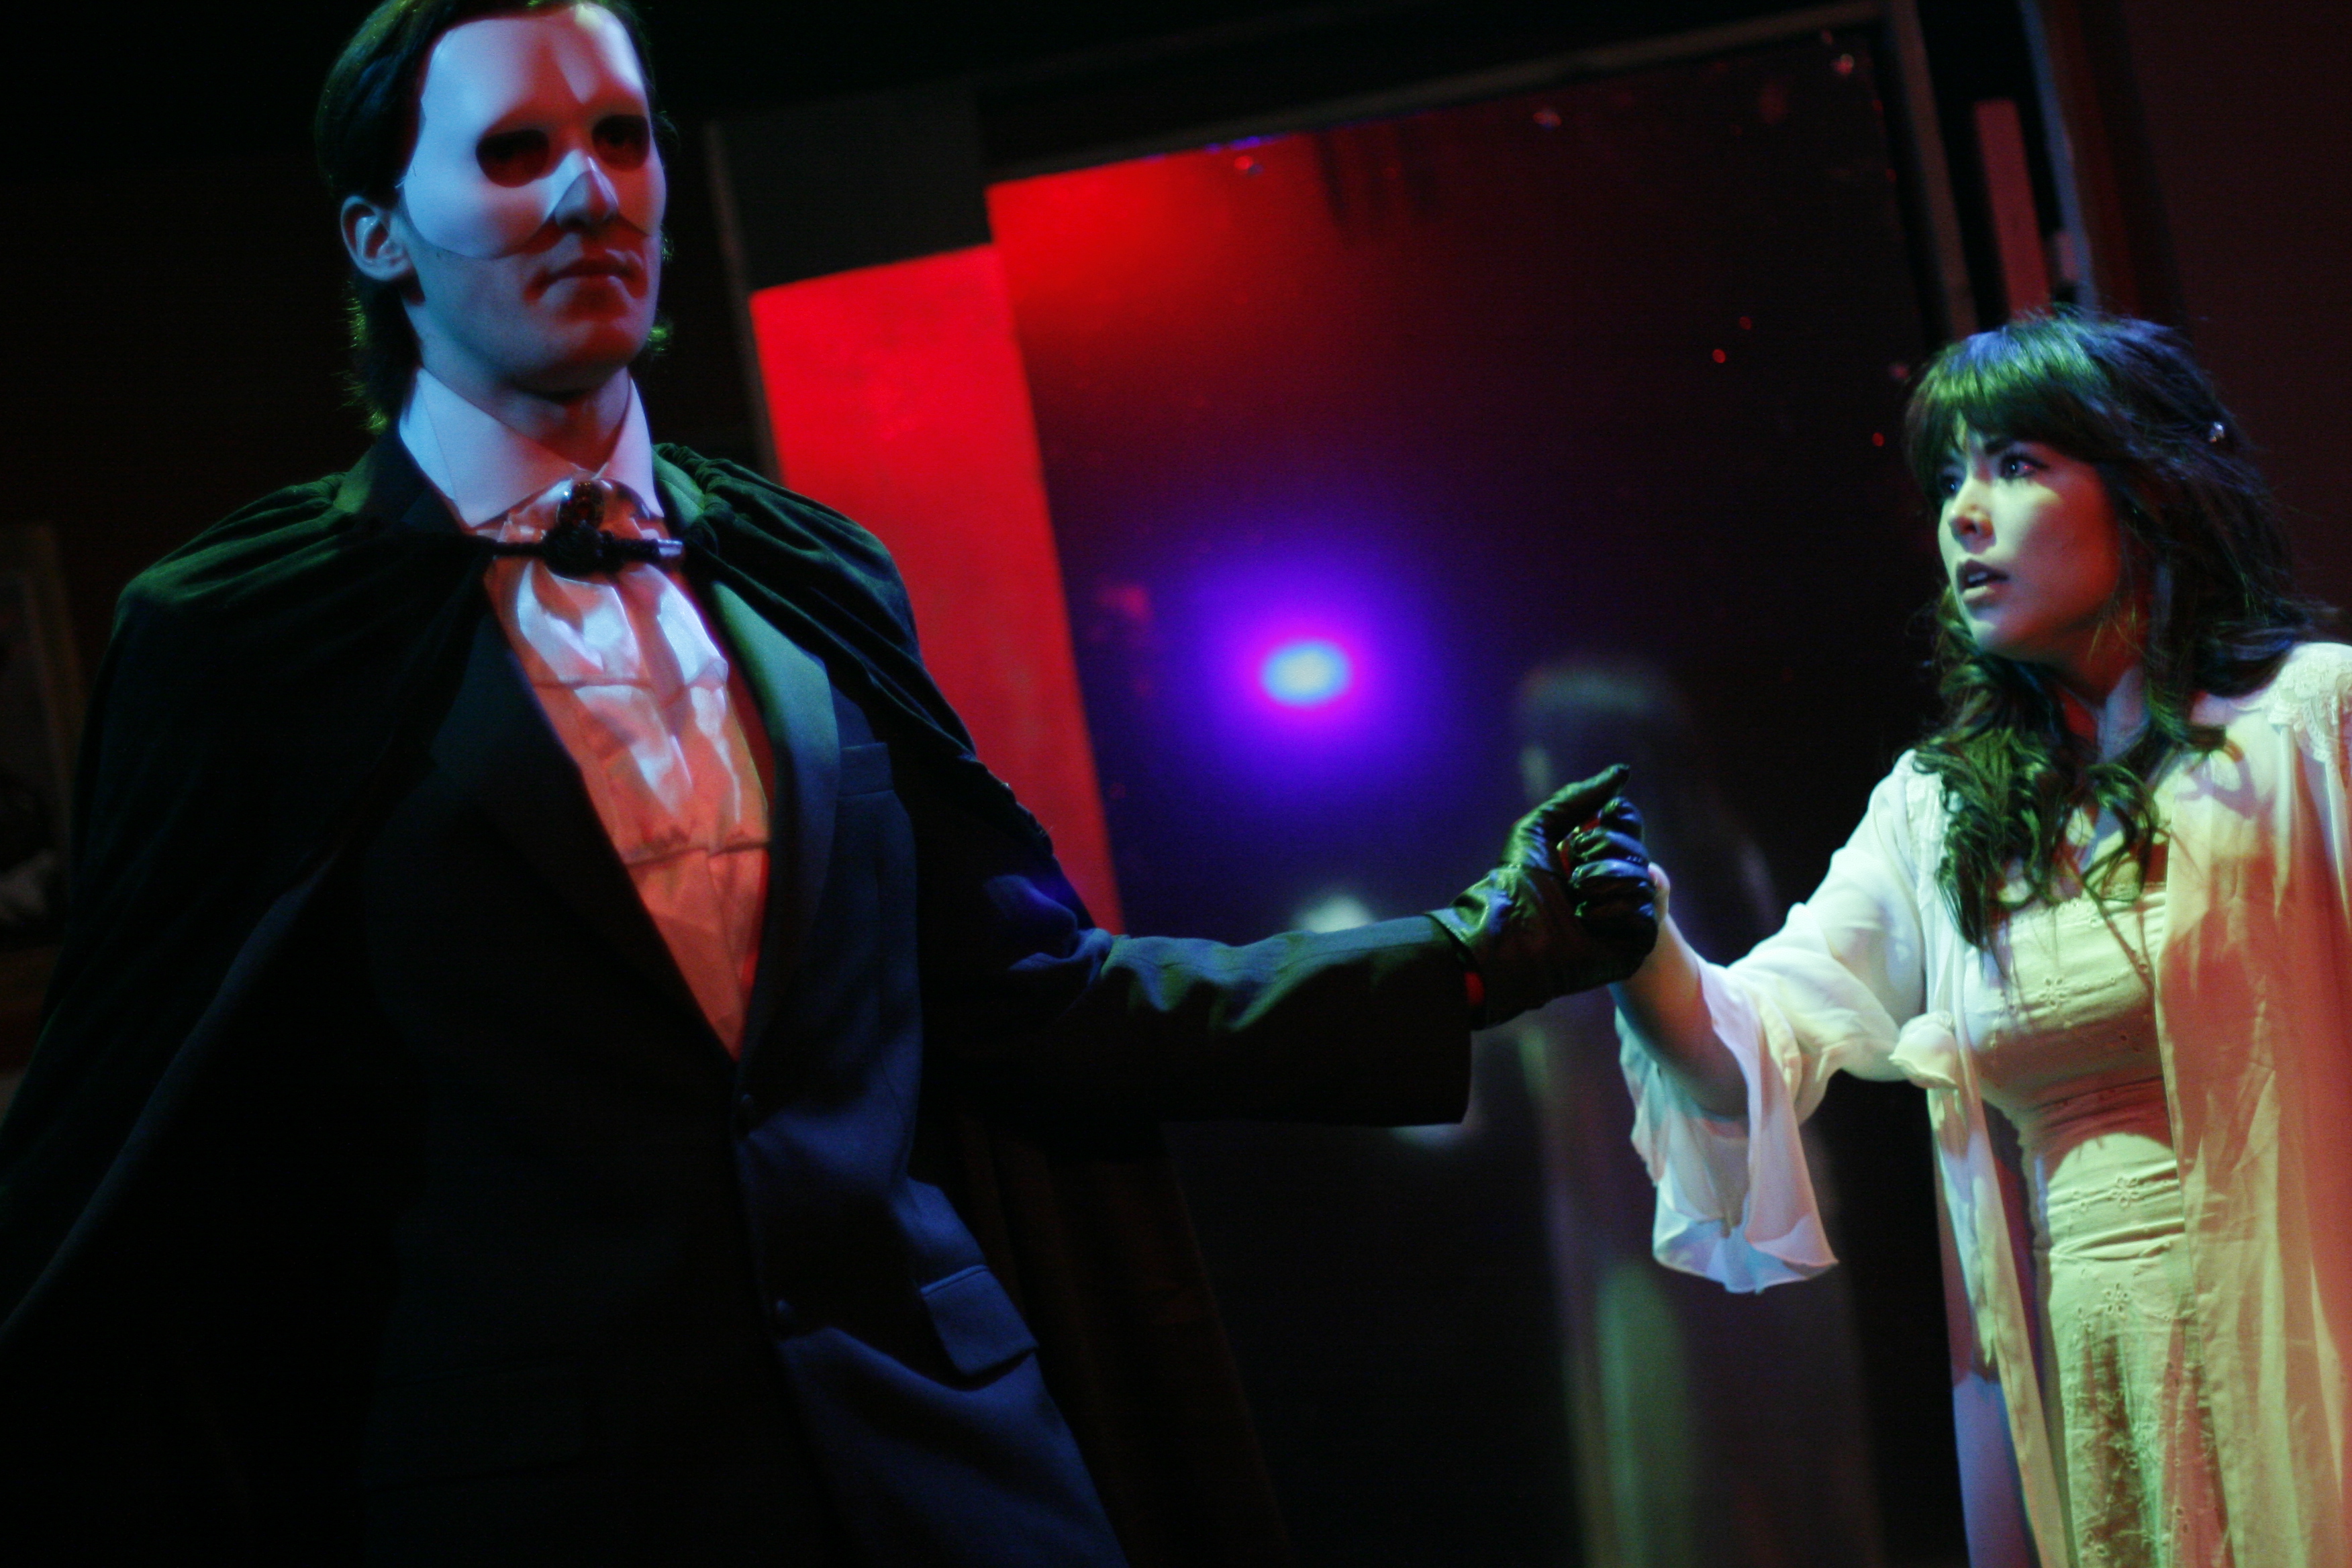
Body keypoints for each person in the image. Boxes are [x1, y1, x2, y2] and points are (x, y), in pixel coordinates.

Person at [0, 1, 1656, 1563]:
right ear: (378, 234)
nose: (590, 190)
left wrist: (1466, 956)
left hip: (944, 1471)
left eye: (623, 136)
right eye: (514, 150)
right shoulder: (244, 638)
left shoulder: (809, 574)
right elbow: (142, 1166)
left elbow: (1029, 1000)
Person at [1584, 308, 2351, 1567]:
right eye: (1949, 480)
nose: (1963, 516)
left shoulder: (2311, 721)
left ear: (2152, 486)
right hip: (2088, 1362)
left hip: (2309, 1338)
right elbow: (1753, 1045)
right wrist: (1638, 947)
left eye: (2016, 466)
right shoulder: (1940, 813)